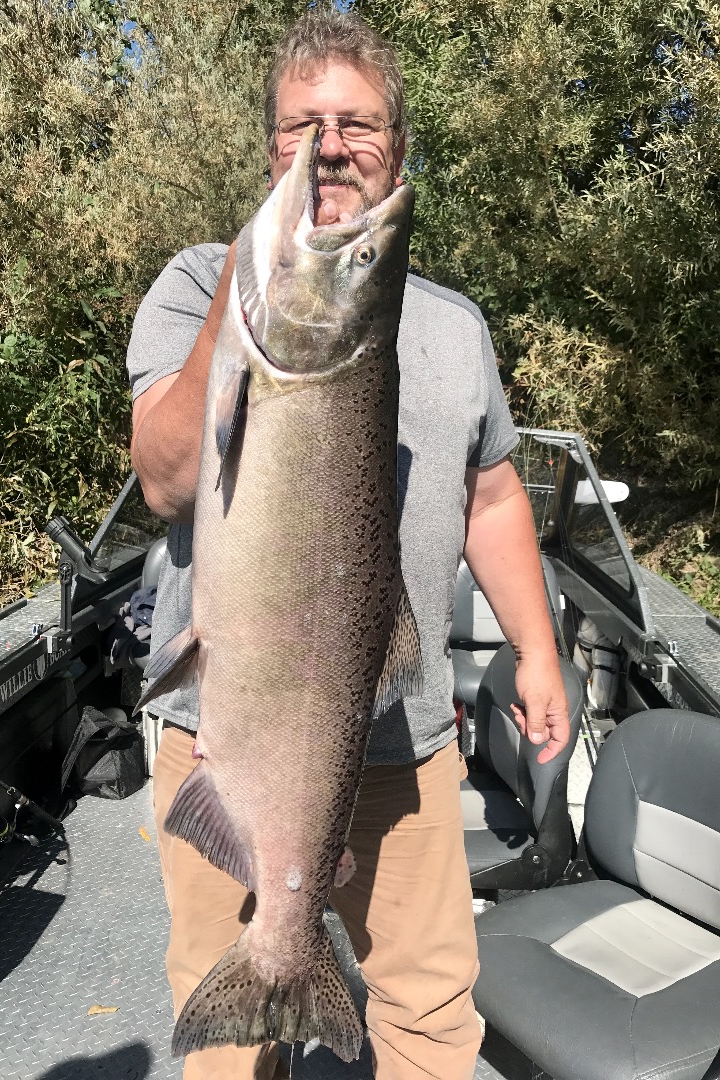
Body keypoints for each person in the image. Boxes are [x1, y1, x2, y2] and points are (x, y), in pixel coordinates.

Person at [127, 10, 569, 1080]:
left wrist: (541, 649)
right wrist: (249, 285)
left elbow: (494, 497)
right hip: (223, 731)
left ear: (398, 150)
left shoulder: (453, 325)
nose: (329, 144)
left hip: (405, 734)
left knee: (427, 1003)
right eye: (302, 125)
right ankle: (274, 973)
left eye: (358, 124)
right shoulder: (200, 287)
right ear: (272, 147)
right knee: (225, 1024)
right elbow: (167, 479)